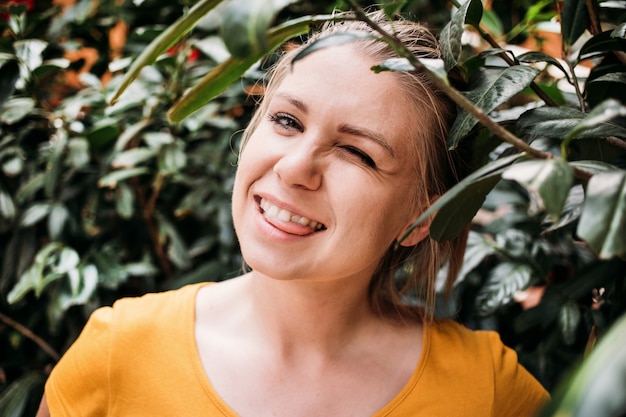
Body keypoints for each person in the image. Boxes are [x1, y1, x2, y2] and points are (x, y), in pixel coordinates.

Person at [37, 9, 549, 417]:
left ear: (421, 216)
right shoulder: (117, 353)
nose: (295, 167)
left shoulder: (490, 392)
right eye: (286, 120)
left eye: (358, 153)